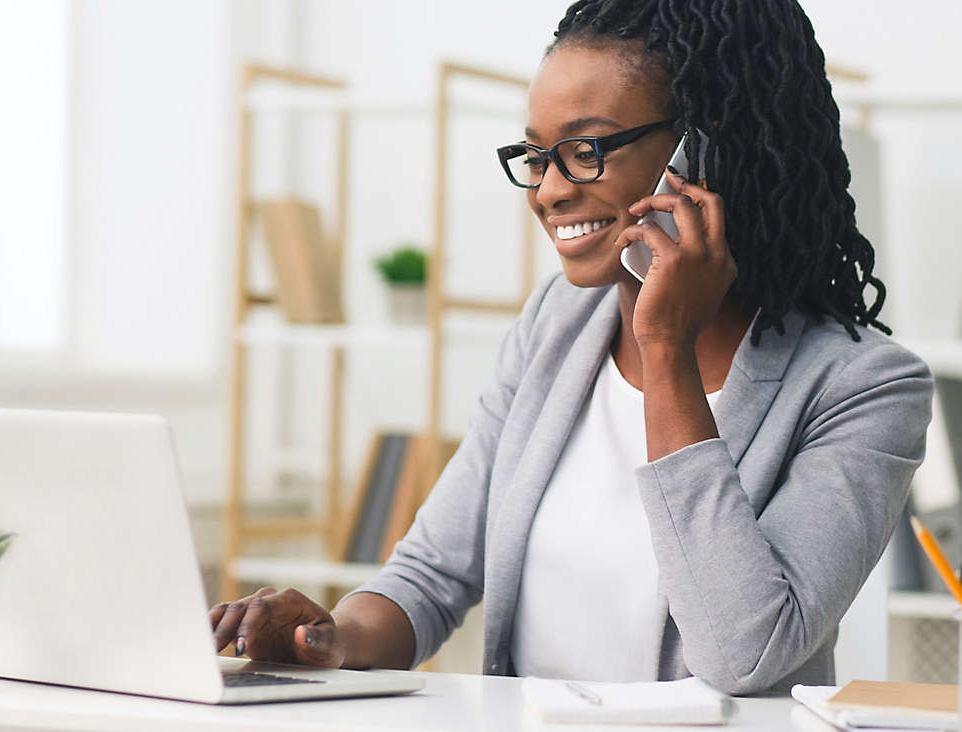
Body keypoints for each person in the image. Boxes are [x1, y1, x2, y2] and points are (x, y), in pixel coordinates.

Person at [209, 0, 933, 694]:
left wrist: (664, 347)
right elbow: (432, 575)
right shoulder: (557, 324)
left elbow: (744, 652)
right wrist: (329, 639)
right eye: (535, 156)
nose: (547, 191)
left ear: (708, 148)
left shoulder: (863, 387)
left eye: (583, 151)